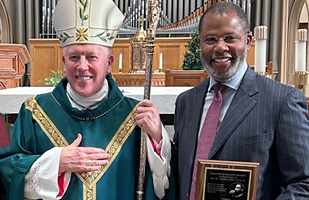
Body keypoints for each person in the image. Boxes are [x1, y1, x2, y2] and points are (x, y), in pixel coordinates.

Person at [0, 0, 174, 199]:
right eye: (74, 57)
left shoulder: (136, 116)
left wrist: (158, 139)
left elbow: (162, 184)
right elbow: (9, 172)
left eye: (92, 57)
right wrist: (55, 163)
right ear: (65, 63)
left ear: (109, 63)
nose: (82, 66)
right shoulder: (34, 112)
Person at [172, 2, 309, 200]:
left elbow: (303, 183)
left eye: (230, 38)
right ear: (200, 43)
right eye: (210, 39)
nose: (220, 47)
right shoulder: (186, 102)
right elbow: (182, 173)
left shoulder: (281, 101)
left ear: (248, 41)